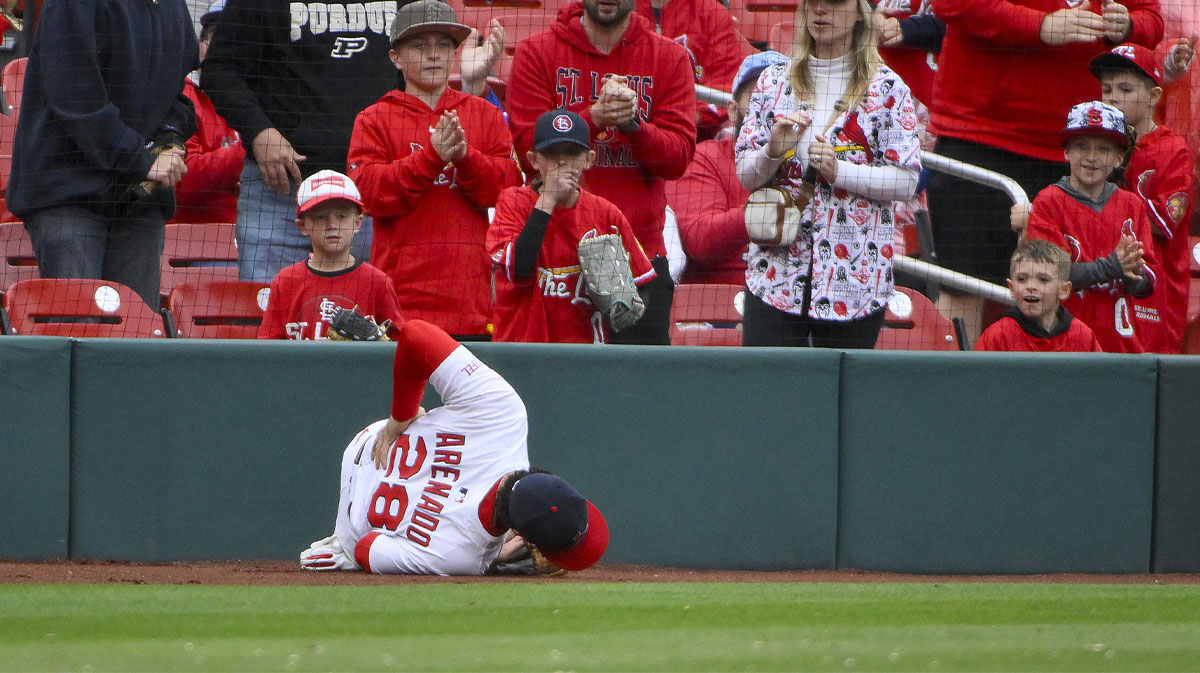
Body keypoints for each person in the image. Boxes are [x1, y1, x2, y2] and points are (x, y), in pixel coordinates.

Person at [298, 318, 610, 575]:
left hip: (372, 440)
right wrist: (494, 556)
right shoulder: (465, 559)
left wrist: (400, 418)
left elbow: (416, 332)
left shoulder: (505, 414)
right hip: (353, 521)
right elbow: (367, 550)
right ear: (525, 537)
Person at [926, 0, 1162, 338]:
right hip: (979, 135)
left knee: (1072, 290)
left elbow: (1151, 19)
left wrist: (1128, 26)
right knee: (964, 283)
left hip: (1082, 148)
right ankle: (958, 390)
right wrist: (1038, 25)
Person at [506, 0, 698, 345]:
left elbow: (678, 158)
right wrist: (592, 119)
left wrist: (633, 125)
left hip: (637, 257)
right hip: (553, 260)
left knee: (638, 390)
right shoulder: (537, 51)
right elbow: (526, 152)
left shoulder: (669, 57)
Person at [734, 0, 921, 348]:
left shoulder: (888, 89)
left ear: (860, 12)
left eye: (834, 2)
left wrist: (840, 172)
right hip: (776, 273)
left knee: (842, 394)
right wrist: (772, 151)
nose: (821, 10)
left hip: (855, 279)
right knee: (768, 391)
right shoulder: (773, 80)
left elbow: (906, 179)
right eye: (812, 2)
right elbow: (746, 175)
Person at [347, 0, 520, 339]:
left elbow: (507, 190)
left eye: (443, 45)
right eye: (419, 45)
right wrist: (432, 157)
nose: (434, 54)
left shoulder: (483, 115)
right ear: (395, 56)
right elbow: (371, 194)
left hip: (469, 306)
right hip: (400, 308)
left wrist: (466, 157)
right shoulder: (374, 118)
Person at [7, 0, 197, 308]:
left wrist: (171, 136)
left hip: (138, 202)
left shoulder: (173, 7)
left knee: (135, 336)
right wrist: (142, 159)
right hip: (69, 195)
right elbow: (76, 97)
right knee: (76, 331)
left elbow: (179, 94)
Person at [488, 110, 656, 343]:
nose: (562, 162)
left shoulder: (605, 214)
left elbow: (643, 285)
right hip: (522, 352)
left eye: (571, 152)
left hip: (583, 358)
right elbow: (519, 270)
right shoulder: (512, 202)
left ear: (589, 159)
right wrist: (547, 199)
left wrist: (621, 306)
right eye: (551, 153)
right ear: (533, 160)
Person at [1023, 101, 1158, 354]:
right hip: (1062, 346)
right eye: (1082, 146)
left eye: (1103, 149)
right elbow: (1050, 277)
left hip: (1121, 346)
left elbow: (1149, 284)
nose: (1091, 157)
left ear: (1119, 158)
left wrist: (1133, 275)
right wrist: (1112, 267)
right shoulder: (1048, 201)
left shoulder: (1132, 205)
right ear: (1066, 152)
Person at [1090, 43, 1195, 353]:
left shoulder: (1172, 149)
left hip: (1156, 295)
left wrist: (1113, 187)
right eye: (1106, 88)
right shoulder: (1095, 145)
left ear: (1153, 96)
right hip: (1104, 282)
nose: (1112, 97)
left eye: (1125, 88)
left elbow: (1165, 223)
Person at [666, 51, 786, 286]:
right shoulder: (704, 157)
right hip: (720, 302)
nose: (770, 109)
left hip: (794, 297)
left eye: (782, 96)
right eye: (758, 97)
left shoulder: (812, 163)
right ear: (732, 110)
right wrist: (756, 214)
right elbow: (701, 242)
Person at [258, 171, 404, 340]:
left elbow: (398, 346)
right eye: (321, 217)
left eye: (342, 216)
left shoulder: (378, 282)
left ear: (357, 223)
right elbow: (268, 350)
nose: (332, 225)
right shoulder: (285, 281)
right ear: (302, 226)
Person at [169, 0, 246, 225]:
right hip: (193, 242)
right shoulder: (181, 95)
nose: (222, 46)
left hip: (262, 235)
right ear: (201, 44)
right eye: (215, 36)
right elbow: (185, 182)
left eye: (236, 37)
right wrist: (253, 148)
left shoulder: (270, 99)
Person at [633, 0, 756, 141]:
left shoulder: (711, 12)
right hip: (626, 129)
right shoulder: (620, 11)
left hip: (697, 139)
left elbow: (726, 81)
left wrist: (688, 114)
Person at [975, 239, 1102, 352]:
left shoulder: (1082, 336)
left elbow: (1099, 377)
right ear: (1011, 288)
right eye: (1022, 279)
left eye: (1043, 280)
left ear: (1064, 290)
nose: (1030, 286)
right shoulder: (997, 335)